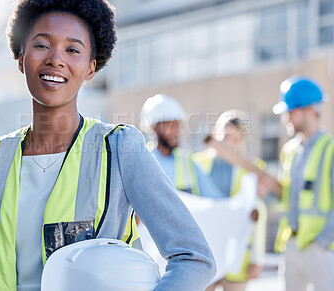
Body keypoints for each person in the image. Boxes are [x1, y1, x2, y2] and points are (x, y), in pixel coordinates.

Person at [0, 0, 217, 290]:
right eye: (42, 44)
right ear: (20, 57)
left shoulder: (121, 148)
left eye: (73, 49)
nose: (56, 58)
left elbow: (194, 258)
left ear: (91, 68)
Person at [193, 110, 268, 291]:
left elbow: (258, 214)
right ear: (215, 132)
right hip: (205, 253)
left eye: (235, 140)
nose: (228, 145)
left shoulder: (252, 170)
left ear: (242, 142)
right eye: (224, 137)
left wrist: (257, 258)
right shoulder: (196, 163)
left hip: (237, 255)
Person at [273, 76, 334, 291]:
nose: (286, 118)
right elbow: (289, 196)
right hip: (292, 246)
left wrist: (322, 243)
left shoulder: (330, 148)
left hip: (322, 249)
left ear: (310, 110)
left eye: (291, 112)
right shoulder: (289, 151)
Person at [140, 94, 224, 198]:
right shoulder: (142, 162)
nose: (177, 131)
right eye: (171, 126)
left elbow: (215, 199)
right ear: (154, 128)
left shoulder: (188, 162)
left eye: (178, 125)